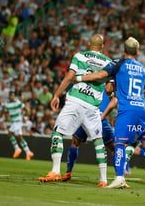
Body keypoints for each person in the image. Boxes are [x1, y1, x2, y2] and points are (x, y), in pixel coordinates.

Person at [76, 37, 145, 190]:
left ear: (123, 50)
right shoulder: (142, 68)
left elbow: (102, 78)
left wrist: (80, 77)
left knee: (119, 144)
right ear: (138, 51)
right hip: (142, 109)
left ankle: (120, 177)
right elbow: (141, 89)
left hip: (127, 110)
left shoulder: (118, 64)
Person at [38, 34, 111, 188]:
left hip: (75, 101)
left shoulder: (80, 56)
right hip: (93, 106)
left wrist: (57, 94)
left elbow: (70, 77)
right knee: (98, 140)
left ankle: (55, 171)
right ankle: (103, 179)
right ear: (103, 46)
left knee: (58, 132)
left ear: (89, 43)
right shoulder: (109, 62)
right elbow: (110, 88)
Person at [61, 90, 116, 182]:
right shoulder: (108, 86)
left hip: (85, 116)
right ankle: (118, 176)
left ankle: (68, 172)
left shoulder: (87, 82)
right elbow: (114, 100)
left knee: (75, 143)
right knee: (114, 148)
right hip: (99, 118)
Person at [4, 91, 34, 160]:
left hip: (18, 121)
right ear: (9, 96)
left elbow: (25, 108)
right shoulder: (7, 104)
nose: (12, 97)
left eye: (13, 96)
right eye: (11, 96)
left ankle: (17, 149)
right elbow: (7, 112)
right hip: (13, 121)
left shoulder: (17, 102)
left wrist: (26, 115)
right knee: (19, 137)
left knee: (9, 134)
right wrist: (6, 116)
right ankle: (28, 152)